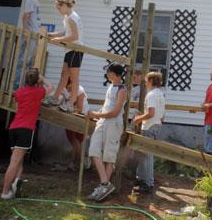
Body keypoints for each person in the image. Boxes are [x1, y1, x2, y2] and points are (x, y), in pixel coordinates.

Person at [1, 67, 51, 199]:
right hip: (26, 129)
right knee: (15, 161)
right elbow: (50, 87)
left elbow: (16, 97)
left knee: (19, 161)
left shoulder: (20, 92)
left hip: (14, 128)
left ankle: (15, 184)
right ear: (37, 80)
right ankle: (5, 192)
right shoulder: (39, 92)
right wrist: (43, 79)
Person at [86, 63, 128, 201]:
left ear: (113, 73)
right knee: (93, 150)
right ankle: (105, 184)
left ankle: (103, 188)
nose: (107, 74)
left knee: (109, 156)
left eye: (108, 72)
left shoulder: (122, 90)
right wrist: (97, 113)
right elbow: (107, 107)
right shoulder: (110, 87)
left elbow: (115, 112)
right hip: (103, 122)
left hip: (114, 124)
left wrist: (96, 115)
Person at [43, 0, 84, 112]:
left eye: (59, 8)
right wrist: (53, 34)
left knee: (74, 78)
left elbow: (75, 36)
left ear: (65, 6)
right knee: (64, 76)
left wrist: (60, 40)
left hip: (76, 49)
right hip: (69, 49)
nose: (58, 10)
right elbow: (66, 32)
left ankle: (70, 104)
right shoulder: (67, 17)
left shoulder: (72, 18)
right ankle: (55, 98)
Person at [14, 0, 56, 89]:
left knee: (28, 63)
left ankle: (24, 86)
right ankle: (17, 86)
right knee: (23, 61)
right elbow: (25, 17)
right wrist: (26, 32)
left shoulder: (36, 2)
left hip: (34, 37)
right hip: (30, 36)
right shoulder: (31, 0)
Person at [132, 71, 166, 194]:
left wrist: (138, 119)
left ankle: (147, 183)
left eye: (146, 80)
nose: (145, 83)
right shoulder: (160, 94)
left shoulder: (151, 95)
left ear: (151, 81)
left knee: (146, 155)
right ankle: (141, 178)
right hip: (156, 125)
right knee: (145, 154)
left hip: (149, 127)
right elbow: (160, 115)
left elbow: (151, 113)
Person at [59, 78, 89, 170]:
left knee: (77, 141)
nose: (68, 89)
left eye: (69, 87)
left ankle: (78, 162)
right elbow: (60, 100)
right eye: (66, 87)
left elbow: (79, 109)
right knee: (73, 140)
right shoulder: (64, 89)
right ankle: (74, 163)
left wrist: (67, 108)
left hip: (81, 117)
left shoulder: (80, 91)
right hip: (69, 117)